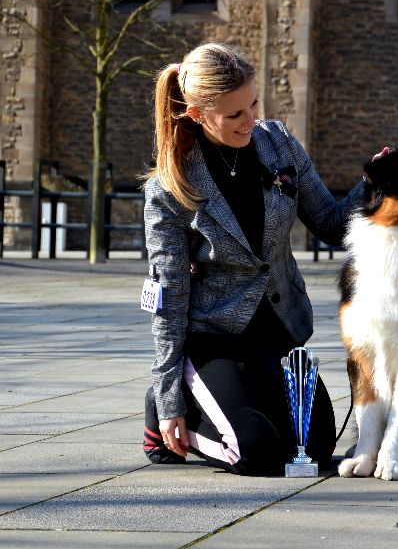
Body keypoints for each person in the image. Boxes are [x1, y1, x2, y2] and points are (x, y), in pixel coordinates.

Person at [141, 42, 364, 476]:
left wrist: (374, 181)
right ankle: (166, 410)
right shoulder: (170, 189)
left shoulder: (279, 145)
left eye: (254, 104)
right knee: (257, 453)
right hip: (214, 339)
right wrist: (169, 397)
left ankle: (205, 403)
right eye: (235, 115)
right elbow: (167, 300)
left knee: (314, 451)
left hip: (280, 333)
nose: (251, 121)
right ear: (197, 114)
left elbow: (333, 225)